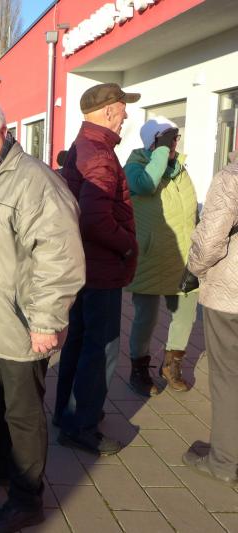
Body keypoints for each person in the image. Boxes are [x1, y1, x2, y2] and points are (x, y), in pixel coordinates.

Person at [0, 97, 85, 533]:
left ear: (3, 133)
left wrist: (46, 320)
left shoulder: (33, 181)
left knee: (23, 414)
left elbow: (59, 255)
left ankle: (27, 498)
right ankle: (0, 463)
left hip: (21, 323)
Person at [53, 83, 140, 456]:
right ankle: (82, 426)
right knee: (100, 349)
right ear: (108, 111)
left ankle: (68, 415)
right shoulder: (100, 154)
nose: (126, 115)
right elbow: (94, 218)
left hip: (83, 265)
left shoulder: (83, 145)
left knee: (78, 341)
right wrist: (128, 244)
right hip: (100, 268)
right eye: (122, 108)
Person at [124, 117, 198, 396]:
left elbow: (191, 207)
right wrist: (161, 152)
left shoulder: (179, 169)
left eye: (175, 138)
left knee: (186, 314)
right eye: (167, 138)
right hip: (150, 256)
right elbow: (146, 186)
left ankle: (171, 364)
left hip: (182, 254)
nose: (174, 143)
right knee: (146, 318)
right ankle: (138, 368)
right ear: (152, 142)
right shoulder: (135, 166)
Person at [182, 157, 238, 486]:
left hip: (231, 295)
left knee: (228, 378)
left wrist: (193, 269)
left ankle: (224, 461)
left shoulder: (232, 177)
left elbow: (210, 240)